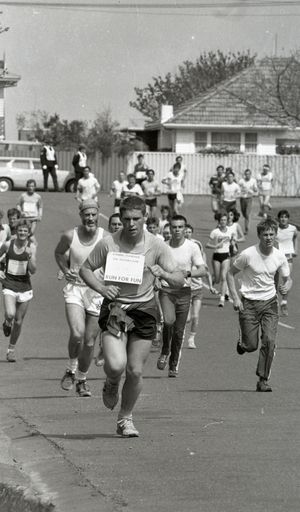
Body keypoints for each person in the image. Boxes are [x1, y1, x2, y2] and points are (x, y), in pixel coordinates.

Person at [79, 196, 184, 438]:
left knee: (135, 370)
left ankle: (125, 418)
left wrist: (165, 274)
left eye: (137, 219)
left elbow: (179, 278)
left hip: (144, 310)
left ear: (145, 218)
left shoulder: (156, 245)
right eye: (126, 219)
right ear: (121, 218)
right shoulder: (108, 244)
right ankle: (112, 381)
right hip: (116, 308)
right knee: (116, 365)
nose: (131, 224)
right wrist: (102, 288)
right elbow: (85, 268)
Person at [227, 217, 291, 392]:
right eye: (265, 234)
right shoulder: (248, 254)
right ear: (259, 235)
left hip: (270, 303)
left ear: (276, 235)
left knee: (269, 341)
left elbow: (287, 277)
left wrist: (287, 285)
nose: (269, 238)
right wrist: (235, 298)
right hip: (248, 303)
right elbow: (230, 274)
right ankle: (243, 343)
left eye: (272, 234)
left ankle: (263, 379)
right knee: (251, 345)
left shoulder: (279, 256)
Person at [54, 200, 105, 397]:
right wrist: (65, 270)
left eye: (93, 214)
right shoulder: (70, 235)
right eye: (86, 215)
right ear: (81, 215)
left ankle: (82, 380)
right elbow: (58, 253)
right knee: (77, 334)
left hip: (96, 292)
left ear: (98, 215)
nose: (90, 218)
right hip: (75, 289)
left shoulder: (106, 238)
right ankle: (71, 369)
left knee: (90, 342)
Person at [157, 215, 206, 376]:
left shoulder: (192, 247)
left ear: (185, 229)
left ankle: (173, 364)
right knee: (169, 322)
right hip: (166, 291)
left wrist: (188, 272)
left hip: (184, 292)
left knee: (179, 331)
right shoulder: (163, 247)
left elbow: (203, 270)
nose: (177, 230)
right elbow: (153, 267)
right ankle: (165, 350)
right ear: (169, 229)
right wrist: (156, 280)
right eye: (174, 227)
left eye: (180, 227)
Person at [0, 220, 37, 362]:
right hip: (9, 283)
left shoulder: (31, 248)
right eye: (20, 230)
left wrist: (30, 257)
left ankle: (11, 349)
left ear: (28, 233)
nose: (22, 233)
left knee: (19, 321)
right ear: (16, 231)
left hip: (25, 286)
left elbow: (33, 270)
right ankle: (7, 322)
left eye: (25, 231)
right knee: (10, 313)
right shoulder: (8, 244)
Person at [184, 224, 217, 348]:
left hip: (197, 291)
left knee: (195, 316)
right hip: (185, 290)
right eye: (185, 231)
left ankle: (191, 339)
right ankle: (179, 332)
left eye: (189, 231)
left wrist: (211, 286)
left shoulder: (199, 262)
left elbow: (206, 272)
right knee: (186, 319)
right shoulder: (184, 259)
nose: (187, 233)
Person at [206, 211, 232, 307]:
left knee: (224, 276)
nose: (223, 222)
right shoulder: (215, 232)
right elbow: (207, 244)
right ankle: (212, 282)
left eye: (225, 220)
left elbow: (232, 241)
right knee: (217, 279)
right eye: (221, 220)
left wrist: (233, 245)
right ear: (218, 221)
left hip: (226, 256)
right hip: (216, 256)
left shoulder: (230, 230)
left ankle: (222, 299)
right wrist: (215, 246)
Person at [276, 209, 298, 316]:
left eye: (285, 217)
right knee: (273, 281)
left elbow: (295, 237)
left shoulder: (293, 229)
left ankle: (284, 302)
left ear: (288, 219)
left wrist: (295, 250)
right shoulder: (275, 229)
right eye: (281, 217)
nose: (283, 219)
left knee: (287, 280)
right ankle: (273, 301)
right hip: (276, 258)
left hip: (288, 258)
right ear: (278, 218)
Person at [238, 169, 258, 234]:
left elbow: (255, 189)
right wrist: (241, 191)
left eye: (248, 174)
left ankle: (247, 228)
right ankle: (247, 220)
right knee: (244, 213)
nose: (247, 175)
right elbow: (237, 189)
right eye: (246, 174)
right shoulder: (241, 181)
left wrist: (254, 190)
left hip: (249, 198)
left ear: (250, 174)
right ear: (244, 175)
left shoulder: (253, 181)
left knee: (247, 213)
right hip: (242, 198)